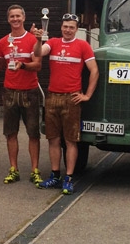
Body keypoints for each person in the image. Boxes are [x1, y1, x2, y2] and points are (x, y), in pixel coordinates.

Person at [33, 13, 99, 195]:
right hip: (53, 97)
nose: (68, 30)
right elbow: (37, 53)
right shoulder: (53, 43)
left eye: (71, 27)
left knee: (70, 140)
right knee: (53, 139)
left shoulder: (83, 46)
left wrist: (87, 95)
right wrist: (38, 40)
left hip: (72, 98)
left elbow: (94, 71)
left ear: (76, 30)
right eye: (65, 27)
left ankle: (69, 178)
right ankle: (55, 175)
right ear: (61, 28)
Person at [0, 4, 43, 185]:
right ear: (8, 19)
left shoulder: (33, 39)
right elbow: (0, 65)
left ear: (23, 18)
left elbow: (38, 65)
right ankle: (13, 169)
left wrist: (23, 65)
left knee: (33, 133)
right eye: (12, 17)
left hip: (29, 92)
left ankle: (35, 170)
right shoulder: (2, 42)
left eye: (18, 16)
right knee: (11, 133)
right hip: (10, 91)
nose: (15, 19)